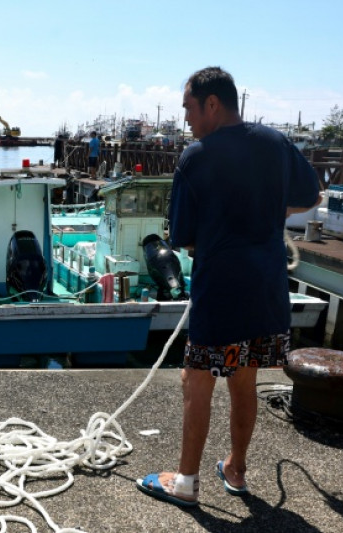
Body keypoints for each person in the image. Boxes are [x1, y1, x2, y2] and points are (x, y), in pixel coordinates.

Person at [136, 66, 321, 507]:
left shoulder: (196, 157)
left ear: (212, 104)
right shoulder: (276, 143)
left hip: (220, 291)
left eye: (188, 108)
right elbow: (313, 197)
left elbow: (184, 238)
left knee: (195, 380)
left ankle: (185, 482)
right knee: (244, 378)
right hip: (267, 289)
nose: (185, 119)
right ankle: (236, 470)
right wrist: (272, 212)